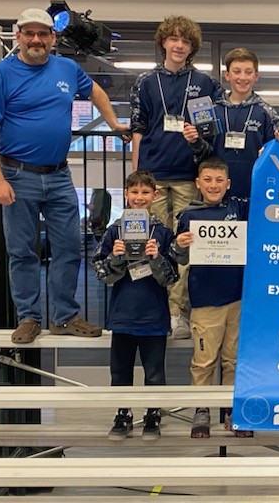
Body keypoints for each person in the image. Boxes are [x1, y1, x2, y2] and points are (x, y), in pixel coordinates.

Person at [0, 8, 129, 345]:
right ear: (18, 37)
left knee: (70, 246)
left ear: (53, 38)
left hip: (59, 175)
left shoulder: (67, 69)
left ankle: (64, 316)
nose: (36, 40)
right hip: (17, 175)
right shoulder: (0, 74)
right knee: (22, 252)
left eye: (43, 34)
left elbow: (96, 92)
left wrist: (114, 123)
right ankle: (28, 318)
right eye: (29, 33)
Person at [130, 16, 224, 341]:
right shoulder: (145, 81)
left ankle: (176, 312)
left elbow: (213, 131)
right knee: (151, 243)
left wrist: (199, 137)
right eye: (174, 39)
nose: (179, 45)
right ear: (164, 43)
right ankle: (152, 309)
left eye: (185, 41)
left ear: (192, 47)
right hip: (153, 176)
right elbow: (138, 128)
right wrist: (137, 176)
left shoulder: (206, 83)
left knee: (184, 245)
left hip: (187, 174)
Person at [92, 171, 179, 441]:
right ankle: (123, 414)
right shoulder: (113, 232)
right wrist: (115, 258)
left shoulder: (164, 233)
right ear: (126, 195)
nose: (139, 198)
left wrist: (156, 258)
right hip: (123, 317)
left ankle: (153, 415)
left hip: (154, 317)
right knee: (120, 373)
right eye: (134, 192)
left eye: (145, 192)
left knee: (155, 373)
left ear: (155, 195)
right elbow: (102, 274)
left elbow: (171, 278)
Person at [171, 157, 252, 438]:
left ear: (228, 184)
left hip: (237, 298)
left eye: (219, 180)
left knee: (233, 360)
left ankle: (232, 411)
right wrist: (179, 245)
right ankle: (201, 409)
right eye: (207, 180)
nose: (213, 185)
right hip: (205, 300)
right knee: (204, 361)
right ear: (198, 183)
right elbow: (179, 258)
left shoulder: (239, 208)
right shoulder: (188, 216)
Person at [182, 47, 279, 198]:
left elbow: (277, 155)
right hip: (216, 193)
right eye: (237, 71)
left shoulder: (267, 112)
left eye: (248, 72)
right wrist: (195, 141)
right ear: (227, 75)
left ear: (256, 76)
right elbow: (204, 155)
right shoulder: (210, 111)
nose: (242, 77)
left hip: (255, 192)